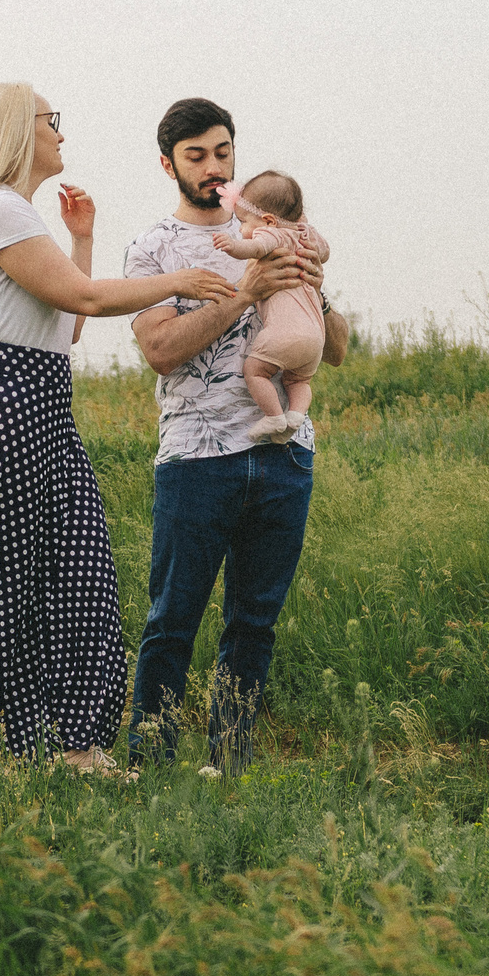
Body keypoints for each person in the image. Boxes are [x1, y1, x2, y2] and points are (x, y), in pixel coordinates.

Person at [0, 82, 238, 773]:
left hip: (41, 407)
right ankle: (7, 742)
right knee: (10, 578)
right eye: (51, 120)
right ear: (19, 132)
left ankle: (63, 743)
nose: (60, 131)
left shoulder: (17, 215)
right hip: (7, 407)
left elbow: (70, 324)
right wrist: (186, 281)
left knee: (68, 572)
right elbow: (83, 299)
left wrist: (82, 239)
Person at [122, 98, 347, 774]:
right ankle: (151, 763)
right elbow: (161, 349)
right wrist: (244, 292)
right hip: (197, 459)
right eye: (197, 155)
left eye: (223, 152)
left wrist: (317, 285)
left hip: (283, 457)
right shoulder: (151, 248)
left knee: (254, 624)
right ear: (169, 165)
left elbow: (335, 350)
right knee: (172, 621)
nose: (214, 166)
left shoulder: (279, 228)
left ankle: (231, 764)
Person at [211, 170, 332, 441]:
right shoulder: (305, 234)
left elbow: (254, 247)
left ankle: (275, 417)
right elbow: (324, 251)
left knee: (254, 370)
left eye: (242, 222)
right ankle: (296, 415)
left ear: (267, 220)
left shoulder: (273, 235)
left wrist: (232, 246)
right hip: (315, 338)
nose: (241, 229)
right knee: (299, 380)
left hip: (283, 334)